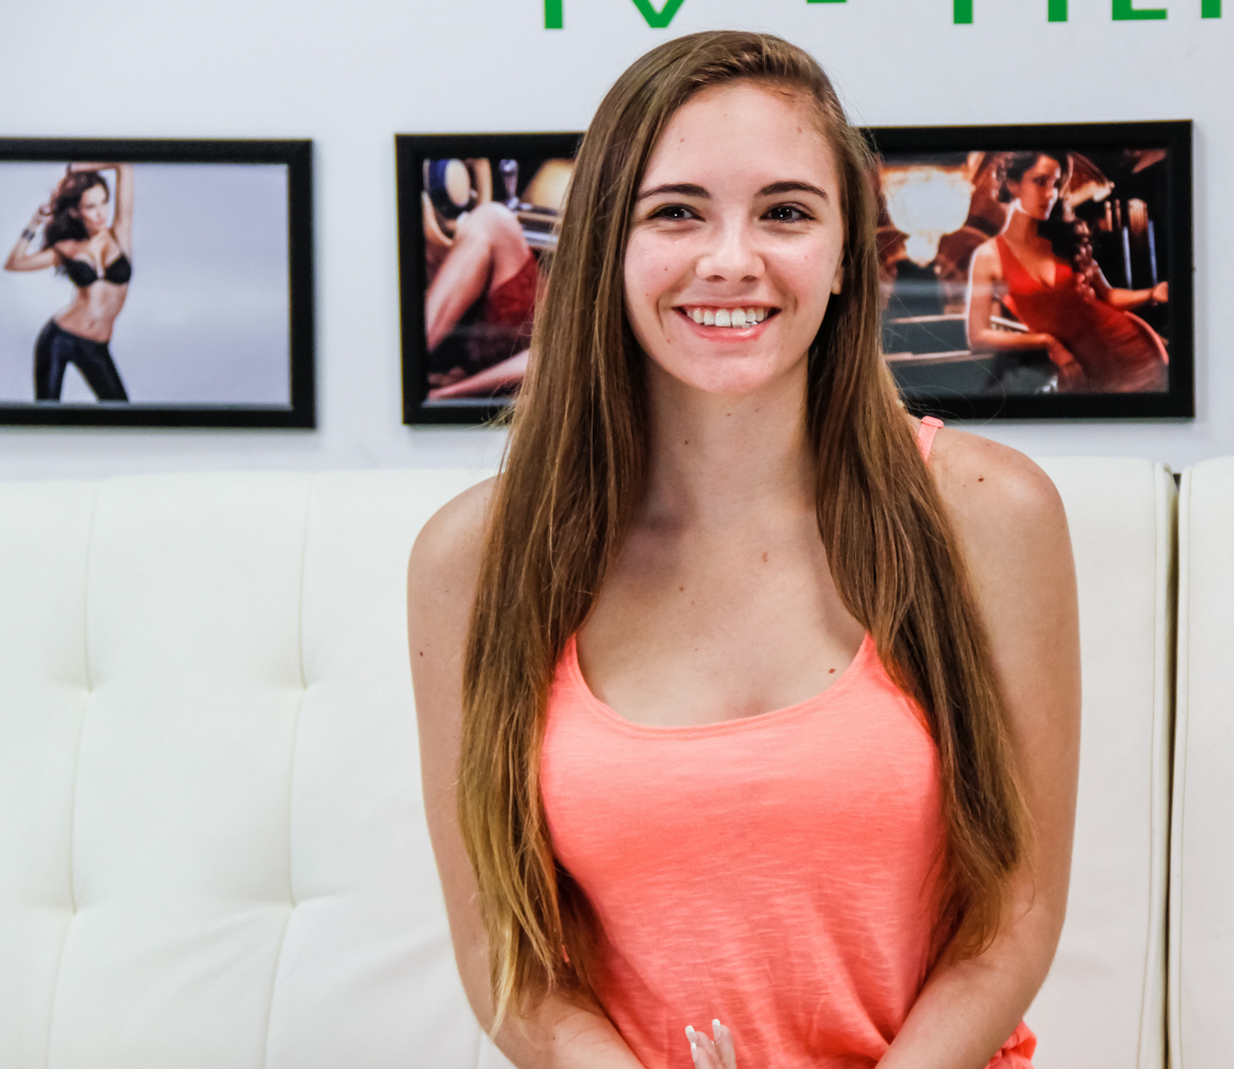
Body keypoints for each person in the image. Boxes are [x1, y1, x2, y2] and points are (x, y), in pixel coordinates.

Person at [407, 30, 1078, 1069]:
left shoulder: (992, 514)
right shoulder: (473, 561)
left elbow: (1015, 921)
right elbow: (508, 957)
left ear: (846, 253)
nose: (731, 259)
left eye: (785, 212)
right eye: (676, 212)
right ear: (606, 246)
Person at [963, 151, 1168, 393]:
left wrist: (1152, 293)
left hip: (1133, 351)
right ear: (1012, 185)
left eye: (1056, 184)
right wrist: (1047, 342)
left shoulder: (1066, 242)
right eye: (1040, 181)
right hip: (1084, 367)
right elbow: (977, 337)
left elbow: (1109, 297)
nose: (1051, 194)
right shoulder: (987, 256)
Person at [2, 163, 135, 401]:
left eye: (104, 202)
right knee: (46, 414)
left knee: (121, 412)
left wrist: (76, 168)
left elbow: (124, 166)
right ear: (75, 212)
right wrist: (34, 223)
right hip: (59, 339)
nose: (101, 213)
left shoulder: (120, 234)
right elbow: (14, 264)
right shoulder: (69, 249)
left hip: (96, 346)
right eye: (91, 206)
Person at [421, 158, 541, 401]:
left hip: (513, 364)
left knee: (494, 219)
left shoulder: (492, 223)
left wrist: (446, 394)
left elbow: (556, 352)